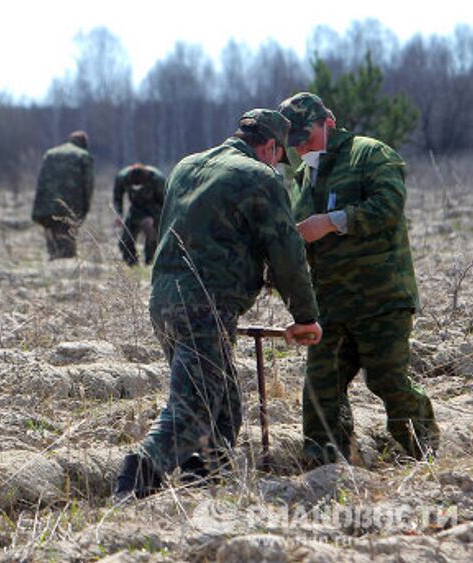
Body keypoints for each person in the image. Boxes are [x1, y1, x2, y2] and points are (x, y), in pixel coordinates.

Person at [114, 109, 322, 500]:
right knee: (192, 408)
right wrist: (306, 317)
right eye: (278, 156)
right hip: (205, 306)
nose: (277, 163)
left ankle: (204, 480)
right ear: (270, 146)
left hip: (164, 299)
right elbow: (286, 253)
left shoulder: (186, 166)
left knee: (224, 404)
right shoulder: (259, 177)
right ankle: (136, 477)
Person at [278, 92, 439, 465]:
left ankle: (425, 456)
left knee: (387, 381)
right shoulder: (302, 177)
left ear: (328, 122)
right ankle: (326, 467)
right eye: (294, 140)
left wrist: (332, 223)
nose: (301, 146)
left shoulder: (370, 154)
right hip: (330, 306)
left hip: (379, 299)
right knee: (320, 387)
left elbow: (388, 206)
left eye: (307, 135)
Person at [31, 131, 94, 259]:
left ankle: (54, 259)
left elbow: (41, 180)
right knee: (67, 237)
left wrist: (39, 202)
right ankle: (65, 264)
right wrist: (86, 206)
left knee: (51, 231)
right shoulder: (83, 155)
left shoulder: (51, 153)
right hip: (71, 203)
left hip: (47, 201)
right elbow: (88, 183)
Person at [113, 163, 166, 266]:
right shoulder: (122, 178)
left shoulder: (157, 179)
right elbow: (117, 197)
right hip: (135, 208)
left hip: (153, 207)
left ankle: (150, 262)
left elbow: (165, 202)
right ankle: (132, 264)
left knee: (152, 235)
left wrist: (156, 218)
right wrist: (119, 214)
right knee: (125, 241)